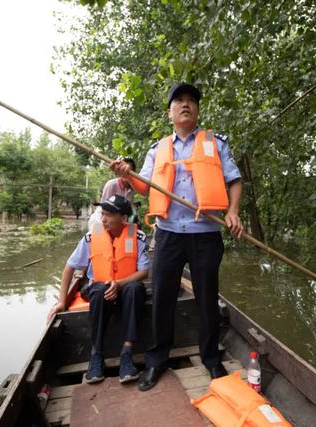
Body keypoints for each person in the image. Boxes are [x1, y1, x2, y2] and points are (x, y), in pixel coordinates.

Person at [110, 82, 243, 392]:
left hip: (206, 234)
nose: (186, 104)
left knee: (208, 300)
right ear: (169, 112)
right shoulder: (157, 150)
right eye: (179, 101)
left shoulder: (216, 143)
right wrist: (126, 174)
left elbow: (234, 181)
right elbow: (144, 186)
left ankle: (211, 358)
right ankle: (157, 359)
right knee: (163, 298)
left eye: (191, 101)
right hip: (168, 234)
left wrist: (233, 212)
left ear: (197, 110)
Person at [47, 195, 149, 384]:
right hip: (99, 289)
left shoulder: (138, 237)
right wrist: (62, 301)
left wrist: (119, 284)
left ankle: (127, 352)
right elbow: (69, 267)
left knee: (135, 289)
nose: (103, 219)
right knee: (100, 289)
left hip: (125, 288)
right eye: (103, 214)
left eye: (109, 215)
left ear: (124, 219)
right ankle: (96, 355)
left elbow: (144, 271)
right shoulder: (91, 237)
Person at [88, 157, 137, 229]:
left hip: (120, 220)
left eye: (128, 171)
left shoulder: (132, 189)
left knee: (131, 232)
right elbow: (104, 207)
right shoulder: (111, 185)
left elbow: (129, 209)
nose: (125, 174)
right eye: (123, 171)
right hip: (103, 219)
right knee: (99, 235)